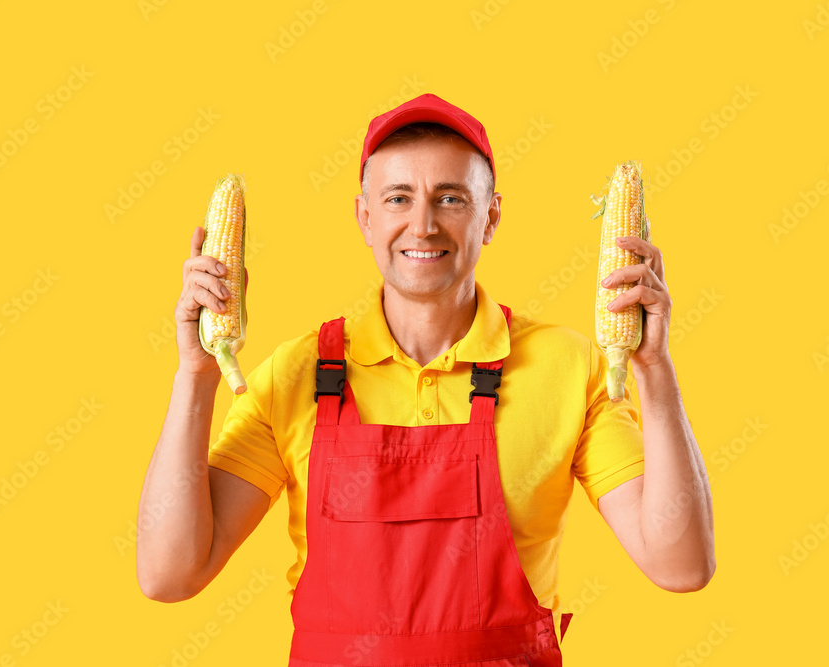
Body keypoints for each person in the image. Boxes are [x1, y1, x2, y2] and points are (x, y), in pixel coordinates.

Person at [137, 93, 714, 666]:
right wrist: (196, 374)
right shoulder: (295, 375)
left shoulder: (568, 367)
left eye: (451, 198)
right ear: (365, 218)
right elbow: (168, 573)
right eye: (398, 198)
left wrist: (653, 368)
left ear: (490, 217)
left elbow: (681, 563)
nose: (423, 224)